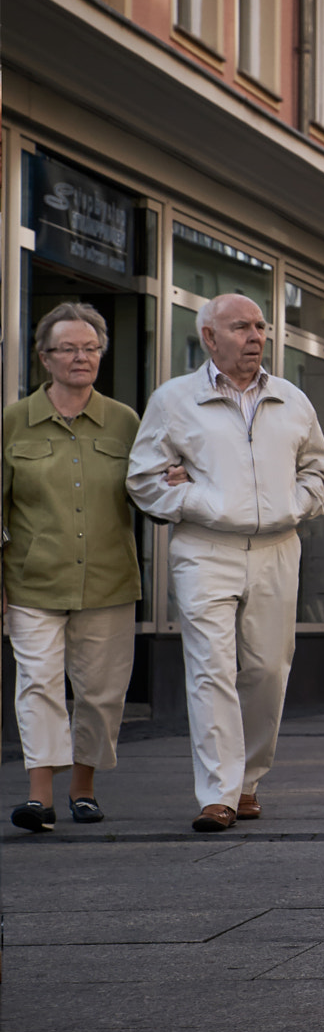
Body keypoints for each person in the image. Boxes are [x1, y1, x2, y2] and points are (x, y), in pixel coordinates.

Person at [128, 293, 324, 833]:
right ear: (210, 338)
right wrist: (199, 503)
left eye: (261, 327)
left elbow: (320, 471)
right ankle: (217, 793)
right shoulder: (173, 400)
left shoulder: (291, 399)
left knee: (267, 669)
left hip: (277, 549)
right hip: (204, 548)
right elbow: (144, 479)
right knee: (211, 669)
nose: (256, 336)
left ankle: (248, 782)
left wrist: (295, 505)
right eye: (241, 327)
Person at [3, 304, 142, 830]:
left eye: (90, 348)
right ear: (45, 357)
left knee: (101, 693)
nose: (80, 357)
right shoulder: (13, 421)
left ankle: (83, 789)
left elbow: (146, 494)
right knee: (37, 684)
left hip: (109, 580)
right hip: (32, 581)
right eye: (68, 348)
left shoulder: (125, 421)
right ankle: (40, 797)